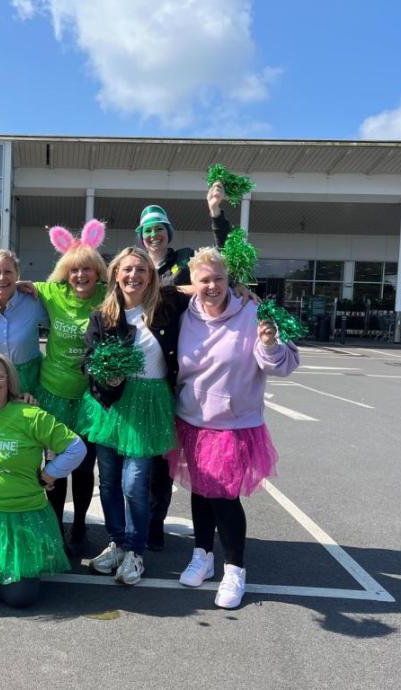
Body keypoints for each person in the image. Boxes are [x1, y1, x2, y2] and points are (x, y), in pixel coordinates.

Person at [167, 247, 299, 609]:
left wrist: (270, 343)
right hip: (192, 419)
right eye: (204, 280)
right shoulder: (185, 314)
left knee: (223, 498)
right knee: (198, 491)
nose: (212, 286)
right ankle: (202, 555)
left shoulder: (253, 312)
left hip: (233, 424)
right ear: (192, 284)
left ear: (231, 281)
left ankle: (235, 569)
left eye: (218, 279)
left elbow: (282, 365)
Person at [136, 181, 233, 551]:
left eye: (159, 228)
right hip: (141, 373)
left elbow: (223, 262)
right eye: (148, 230)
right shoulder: (134, 266)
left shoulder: (185, 260)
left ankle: (155, 522)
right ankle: (138, 520)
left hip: (178, 371)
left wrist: (215, 213)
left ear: (168, 233)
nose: (154, 235)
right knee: (140, 453)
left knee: (162, 457)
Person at [79, 247, 184, 585]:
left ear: (151, 275)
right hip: (111, 405)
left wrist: (240, 289)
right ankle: (118, 544)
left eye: (140, 269)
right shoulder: (103, 315)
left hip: (151, 403)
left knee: (135, 482)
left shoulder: (166, 307)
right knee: (108, 480)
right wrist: (105, 376)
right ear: (115, 275)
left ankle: (136, 550)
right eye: (126, 270)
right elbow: (88, 360)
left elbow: (208, 286)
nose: (133, 276)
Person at [0, 352, 86, 608]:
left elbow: (76, 448)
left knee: (19, 598)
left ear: (10, 380)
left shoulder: (31, 415)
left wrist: (49, 473)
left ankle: (14, 577)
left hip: (23, 516)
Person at [34, 220, 108, 554]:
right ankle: (54, 523)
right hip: (54, 392)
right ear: (66, 272)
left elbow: (151, 291)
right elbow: (16, 285)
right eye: (74, 270)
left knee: (84, 465)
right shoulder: (52, 293)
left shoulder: (109, 296)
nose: (80, 276)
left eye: (87, 270)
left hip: (89, 397)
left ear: (97, 272)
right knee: (56, 464)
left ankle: (79, 524)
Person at [0, 249, 48, 394]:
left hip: (28, 382)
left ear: (17, 274)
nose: (2, 277)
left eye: (8, 272)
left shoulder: (34, 301)